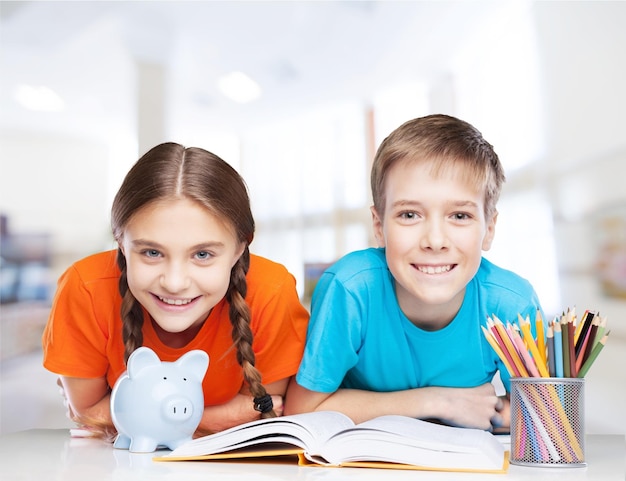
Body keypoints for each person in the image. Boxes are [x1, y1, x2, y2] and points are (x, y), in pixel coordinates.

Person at [284, 114, 544, 432]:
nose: (434, 241)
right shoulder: (351, 289)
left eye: (459, 215)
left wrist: (507, 414)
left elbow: (546, 415)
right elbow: (301, 410)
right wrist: (437, 402)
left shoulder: (512, 304)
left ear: (488, 229)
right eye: (409, 214)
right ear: (379, 227)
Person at [42, 142, 309, 439]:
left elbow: (265, 413)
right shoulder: (86, 287)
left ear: (240, 248)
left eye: (203, 255)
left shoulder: (271, 290)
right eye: (152, 253)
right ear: (120, 241)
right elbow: (88, 411)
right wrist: (215, 420)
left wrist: (121, 418)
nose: (174, 282)